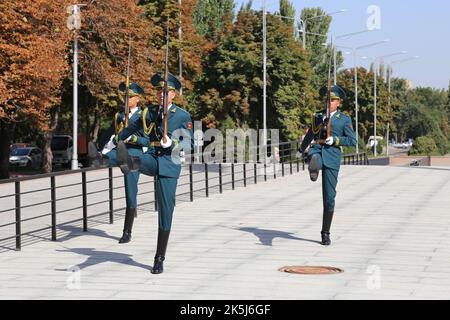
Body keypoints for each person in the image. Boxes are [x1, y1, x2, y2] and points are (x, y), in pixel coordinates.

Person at [115, 72, 193, 274]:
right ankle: (127, 161)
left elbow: (189, 141)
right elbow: (131, 126)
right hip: (152, 156)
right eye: (159, 90)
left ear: (173, 95)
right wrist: (119, 138)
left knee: (166, 212)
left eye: (165, 91)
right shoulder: (149, 112)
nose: (161, 94)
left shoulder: (182, 115)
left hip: (170, 162)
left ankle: (159, 257)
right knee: (135, 161)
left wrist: (173, 142)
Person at [88, 81, 149, 244]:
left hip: (135, 153)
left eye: (130, 97)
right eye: (125, 97)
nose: (126, 100)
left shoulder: (143, 116)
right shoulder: (120, 116)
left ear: (137, 99)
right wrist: (103, 149)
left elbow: (148, 140)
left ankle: (127, 231)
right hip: (119, 149)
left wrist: (134, 138)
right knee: (110, 156)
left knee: (130, 193)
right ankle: (100, 159)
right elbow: (112, 135)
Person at [299, 84, 357, 246]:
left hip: (332, 156)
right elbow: (311, 134)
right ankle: (314, 167)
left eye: (332, 100)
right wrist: (301, 149)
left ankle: (325, 232)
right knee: (314, 156)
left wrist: (336, 140)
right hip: (317, 149)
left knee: (330, 198)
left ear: (338, 102)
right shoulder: (318, 115)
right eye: (327, 100)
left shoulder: (344, 119)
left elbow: (353, 140)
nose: (329, 102)